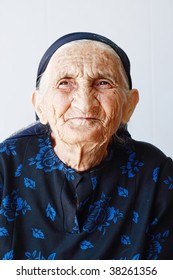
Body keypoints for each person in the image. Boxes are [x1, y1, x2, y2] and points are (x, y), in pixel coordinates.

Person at [0, 32, 173, 260]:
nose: (84, 102)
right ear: (40, 105)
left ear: (129, 105)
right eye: (65, 83)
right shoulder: (5, 167)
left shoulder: (156, 174)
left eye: (103, 83)